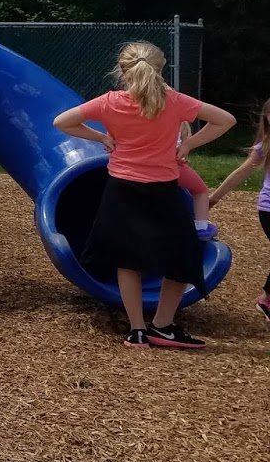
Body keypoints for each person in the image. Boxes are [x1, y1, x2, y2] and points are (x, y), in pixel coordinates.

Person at [52, 41, 236, 349]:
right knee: (182, 257)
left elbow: (61, 121)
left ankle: (136, 330)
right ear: (161, 70)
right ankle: (162, 325)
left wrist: (100, 136)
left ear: (123, 71)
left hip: (121, 189)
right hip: (163, 189)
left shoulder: (110, 102)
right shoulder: (174, 101)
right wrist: (188, 145)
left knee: (127, 260)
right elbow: (225, 120)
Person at [208, 97, 270, 324]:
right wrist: (214, 197)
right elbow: (239, 174)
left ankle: (266, 298)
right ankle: (265, 300)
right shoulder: (265, 147)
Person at [176, 123, 217, 239]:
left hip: (138, 166)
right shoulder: (180, 121)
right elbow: (183, 151)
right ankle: (201, 227)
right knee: (201, 190)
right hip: (173, 164)